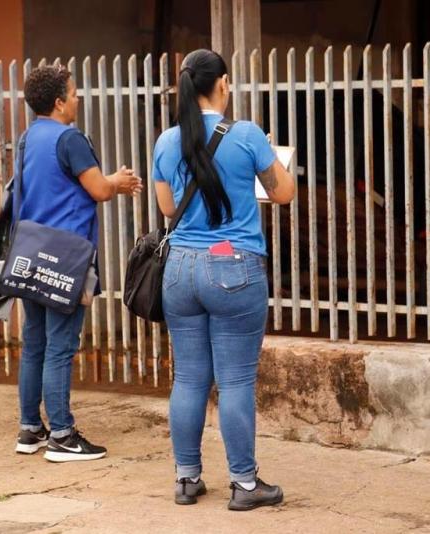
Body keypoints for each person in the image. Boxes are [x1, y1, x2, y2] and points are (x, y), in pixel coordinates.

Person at [152, 49, 295, 510]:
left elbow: (169, 209)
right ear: (223, 84)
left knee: (189, 378)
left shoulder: (166, 141)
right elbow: (285, 193)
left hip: (181, 269)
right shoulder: (248, 135)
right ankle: (245, 485)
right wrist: (267, 155)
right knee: (235, 381)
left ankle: (187, 478)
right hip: (233, 265)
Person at [14, 65, 142, 462]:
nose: (78, 98)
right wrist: (118, 180)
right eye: (74, 92)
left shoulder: (27, 137)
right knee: (60, 346)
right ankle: (63, 435)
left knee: (34, 343)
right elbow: (99, 189)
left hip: (31, 250)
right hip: (67, 256)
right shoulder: (70, 139)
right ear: (58, 101)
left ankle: (30, 429)